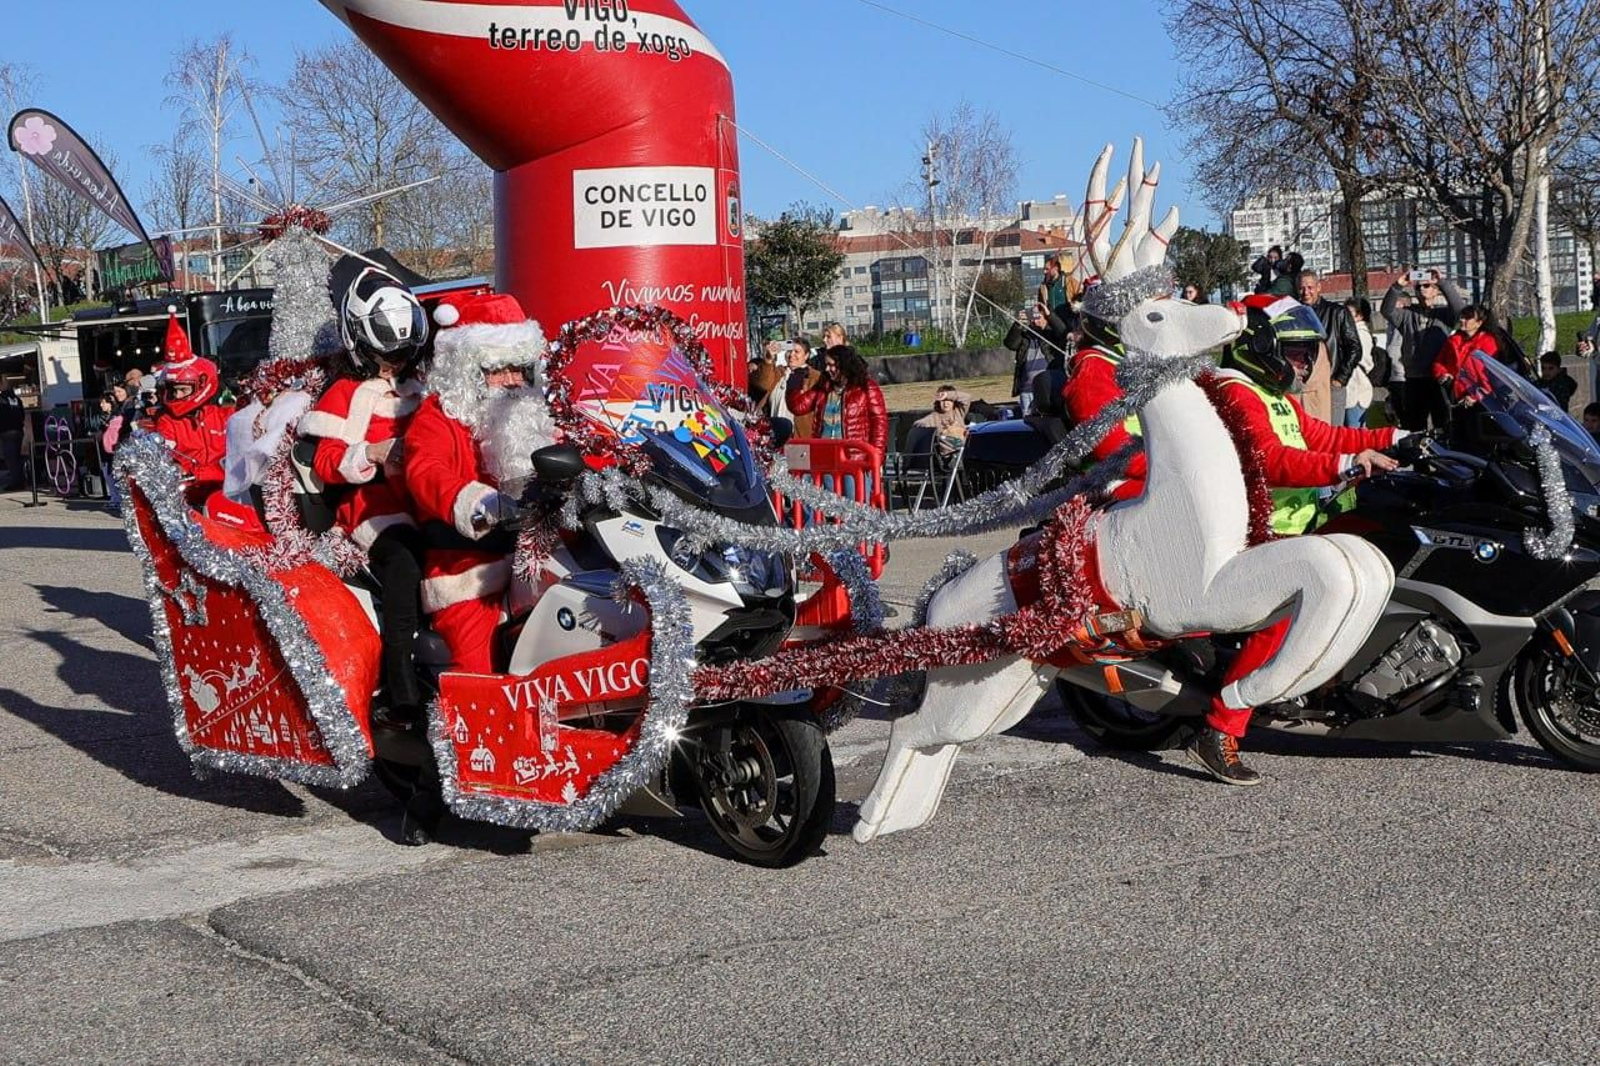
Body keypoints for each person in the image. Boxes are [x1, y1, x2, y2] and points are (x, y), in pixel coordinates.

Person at [1196, 296, 1408, 784]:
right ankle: (1220, 727)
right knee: (1287, 612)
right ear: (1261, 346)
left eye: (1308, 354)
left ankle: (1338, 676)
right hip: (1260, 530)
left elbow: (1319, 436)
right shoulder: (1235, 391)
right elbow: (1271, 460)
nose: (1304, 364)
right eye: (1294, 353)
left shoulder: (1272, 393)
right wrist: (1347, 465)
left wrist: (1395, 438)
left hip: (1300, 522)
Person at [299, 259, 429, 720]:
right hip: (374, 508)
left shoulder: (425, 387)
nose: (394, 363)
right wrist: (372, 452)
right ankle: (400, 684)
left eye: (401, 353)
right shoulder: (344, 393)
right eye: (385, 355)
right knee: (405, 558)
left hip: (430, 499)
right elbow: (326, 461)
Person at [405, 291, 559, 674]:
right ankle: (475, 736)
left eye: (518, 368)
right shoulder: (438, 418)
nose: (510, 381)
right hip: (471, 570)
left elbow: (580, 451)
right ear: (466, 372)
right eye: (496, 369)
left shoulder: (540, 415)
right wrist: (478, 503)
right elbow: (426, 470)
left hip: (546, 558)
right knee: (479, 672)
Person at [150, 308, 234, 496]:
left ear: (202, 385)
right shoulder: (168, 422)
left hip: (229, 490)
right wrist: (182, 470)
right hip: (190, 494)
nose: (178, 396)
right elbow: (167, 457)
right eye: (174, 390)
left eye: (183, 389)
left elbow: (241, 453)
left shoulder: (225, 415)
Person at [786, 344, 888, 494]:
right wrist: (794, 382)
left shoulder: (866, 387)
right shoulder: (824, 387)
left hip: (855, 458)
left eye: (831, 365)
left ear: (844, 365)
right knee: (833, 506)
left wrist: (875, 457)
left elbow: (879, 423)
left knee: (855, 505)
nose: (827, 369)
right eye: (826, 365)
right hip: (828, 457)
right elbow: (798, 406)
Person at [1381, 268, 1465, 432]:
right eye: (1419, 287)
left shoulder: (1443, 315)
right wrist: (1398, 285)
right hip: (1414, 378)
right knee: (1413, 425)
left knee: (1443, 423)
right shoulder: (1407, 314)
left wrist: (1442, 283)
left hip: (1439, 378)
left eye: (1426, 285)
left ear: (1435, 291)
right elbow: (1387, 310)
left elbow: (1460, 310)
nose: (1422, 290)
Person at [1298, 269, 1361, 425]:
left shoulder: (1337, 313)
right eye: (1302, 288)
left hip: (1331, 383)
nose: (1306, 292)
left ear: (1319, 287)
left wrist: (1340, 378)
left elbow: (1354, 348)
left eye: (1310, 287)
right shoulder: (1294, 313)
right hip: (1304, 386)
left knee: (1332, 435)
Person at [1004, 301, 1070, 409]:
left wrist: (1050, 316)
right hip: (1027, 390)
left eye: (1038, 317)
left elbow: (1063, 333)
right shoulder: (1026, 336)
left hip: (1047, 388)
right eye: (1032, 317)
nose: (1034, 321)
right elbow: (1010, 344)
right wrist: (1018, 325)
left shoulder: (1052, 335)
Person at [1434, 305, 1499, 407]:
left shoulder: (1488, 342)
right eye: (1462, 316)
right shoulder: (1453, 340)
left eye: (1467, 317)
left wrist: (1476, 396)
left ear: (1479, 323)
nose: (1462, 319)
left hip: (1480, 400)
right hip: (1454, 394)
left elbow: (1491, 375)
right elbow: (1439, 362)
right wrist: (1443, 374)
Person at [1343, 298, 1377, 428]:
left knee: (1355, 433)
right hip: (1352, 390)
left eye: (1349, 313)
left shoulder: (1361, 334)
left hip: (1356, 390)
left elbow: (1360, 359)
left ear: (1360, 315)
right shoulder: (1352, 332)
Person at [913, 384, 970, 456]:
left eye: (949, 400)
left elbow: (967, 397)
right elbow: (918, 424)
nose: (945, 404)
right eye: (943, 401)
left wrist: (947, 394)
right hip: (948, 457)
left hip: (965, 452)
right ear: (938, 402)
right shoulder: (933, 417)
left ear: (954, 401)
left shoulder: (959, 411)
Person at [781, 337, 821, 437]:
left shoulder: (815, 377)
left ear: (806, 355)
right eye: (789, 351)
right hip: (776, 436)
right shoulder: (778, 373)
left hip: (801, 436)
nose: (791, 355)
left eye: (797, 352)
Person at [0, 377, 25, 491]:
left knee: (10, 459)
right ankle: (21, 480)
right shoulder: (17, 399)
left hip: (6, 432)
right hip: (18, 431)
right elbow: (22, 415)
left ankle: (16, 483)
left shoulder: (1, 399)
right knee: (18, 458)